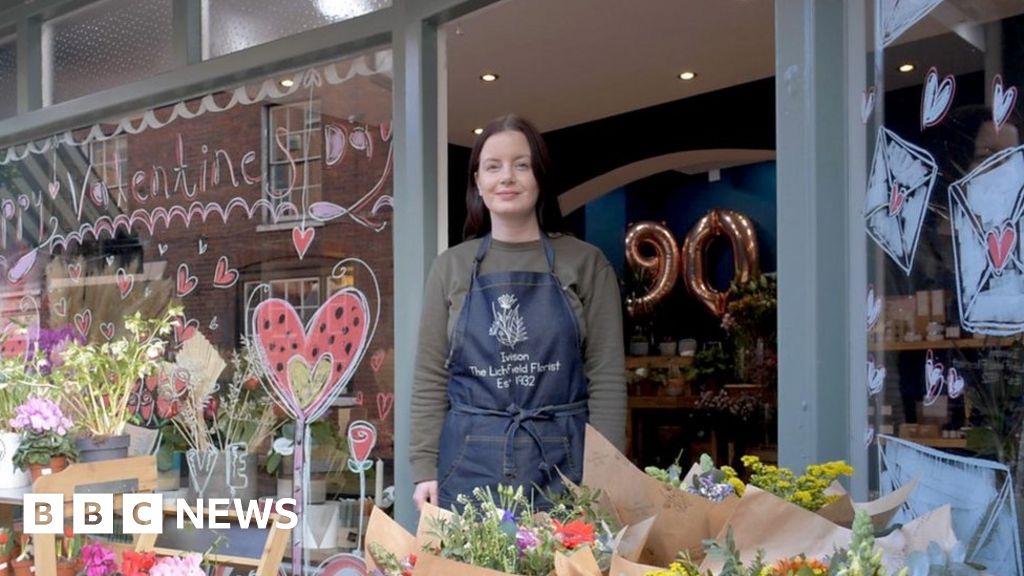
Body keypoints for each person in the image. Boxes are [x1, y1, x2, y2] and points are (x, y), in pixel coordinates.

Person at [410, 114, 626, 510]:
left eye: (521, 165)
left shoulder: (586, 263)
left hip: (566, 462)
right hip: (467, 461)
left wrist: (607, 470)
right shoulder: (450, 268)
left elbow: (607, 375)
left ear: (540, 175)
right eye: (493, 166)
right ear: (478, 181)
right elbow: (429, 377)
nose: (506, 177)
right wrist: (424, 468)